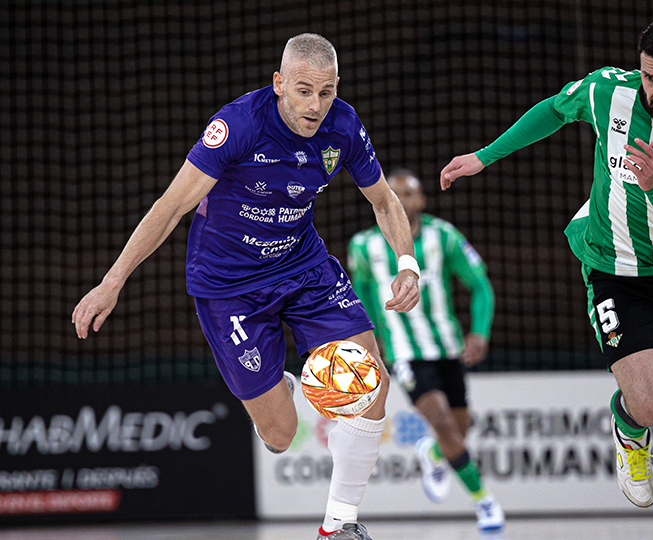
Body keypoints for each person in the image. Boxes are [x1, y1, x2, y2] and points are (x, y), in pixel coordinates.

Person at [71, 33, 420, 540]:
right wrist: (111, 282)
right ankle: (288, 384)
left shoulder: (343, 127)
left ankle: (338, 525)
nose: (315, 105)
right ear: (279, 84)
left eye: (325, 92)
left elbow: (385, 201)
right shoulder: (238, 125)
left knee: (372, 383)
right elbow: (171, 206)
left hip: (303, 268)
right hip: (228, 286)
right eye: (303, 91)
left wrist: (407, 262)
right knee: (279, 436)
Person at [440, 16, 653, 540]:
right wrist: (482, 157)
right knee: (652, 403)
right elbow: (554, 111)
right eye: (650, 77)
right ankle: (630, 431)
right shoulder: (610, 90)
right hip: (616, 271)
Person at [346, 169, 504, 532]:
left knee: (460, 428)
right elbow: (362, 295)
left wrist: (479, 333)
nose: (401, 200)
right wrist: (373, 340)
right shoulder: (363, 246)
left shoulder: (443, 236)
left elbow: (480, 285)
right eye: (393, 193)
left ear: (422, 200)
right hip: (404, 351)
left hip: (447, 347)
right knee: (444, 422)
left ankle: (433, 454)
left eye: (409, 193)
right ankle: (485, 503)